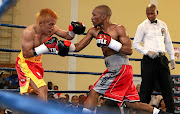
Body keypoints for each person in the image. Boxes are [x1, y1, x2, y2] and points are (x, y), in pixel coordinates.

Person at [56, 5, 168, 114]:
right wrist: (64, 47)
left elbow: (129, 50)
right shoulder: (93, 31)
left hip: (121, 68)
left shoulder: (118, 29)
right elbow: (77, 47)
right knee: (133, 104)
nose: (92, 18)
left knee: (94, 92)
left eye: (94, 15)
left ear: (103, 16)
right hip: (115, 68)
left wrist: (111, 43)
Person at [15, 8, 85, 101]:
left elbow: (68, 36)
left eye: (54, 24)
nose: (53, 27)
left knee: (34, 94)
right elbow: (26, 54)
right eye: (51, 24)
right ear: (41, 23)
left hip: (37, 63)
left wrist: (73, 31)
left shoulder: (52, 29)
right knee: (42, 89)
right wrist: (45, 47)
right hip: (25, 63)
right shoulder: (29, 32)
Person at [133, 4, 175, 113]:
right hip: (148, 60)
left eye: (152, 13)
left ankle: (171, 112)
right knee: (146, 89)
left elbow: (168, 42)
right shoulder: (142, 26)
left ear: (157, 12)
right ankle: (140, 112)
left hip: (162, 59)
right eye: (148, 14)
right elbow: (135, 44)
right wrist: (147, 52)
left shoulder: (163, 24)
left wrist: (172, 57)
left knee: (167, 88)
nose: (150, 16)